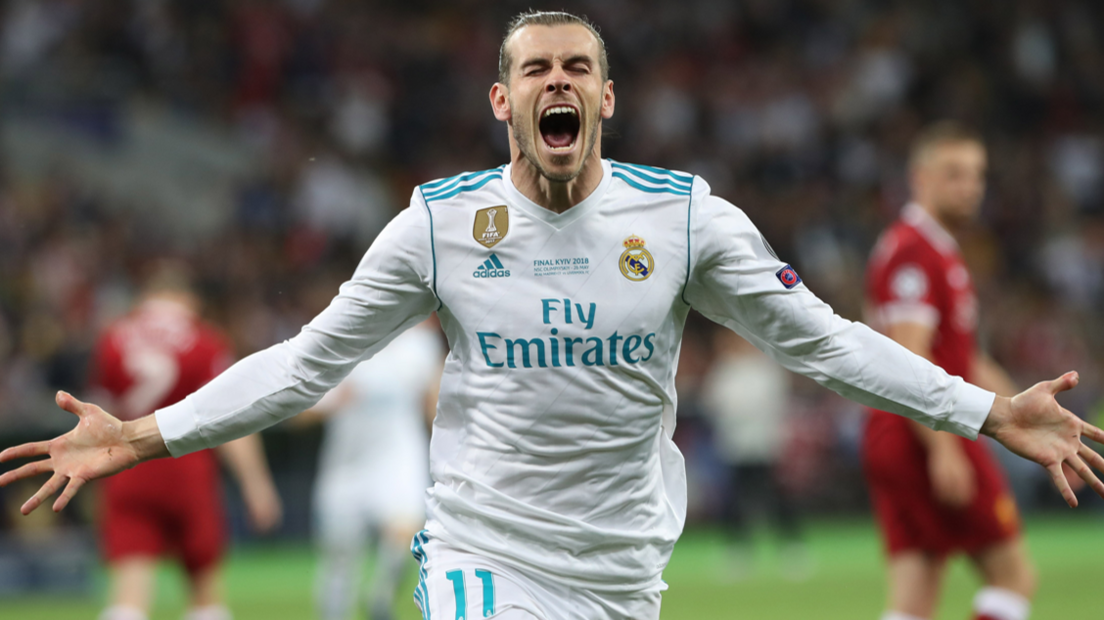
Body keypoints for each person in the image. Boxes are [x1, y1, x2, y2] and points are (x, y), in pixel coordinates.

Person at [2, 11, 1103, 620]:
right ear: (504, 101)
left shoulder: (685, 222)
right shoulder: (437, 225)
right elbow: (302, 362)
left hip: (624, 564)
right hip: (482, 544)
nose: (557, 82)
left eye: (579, 66)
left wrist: (982, 408)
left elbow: (824, 341)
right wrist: (142, 434)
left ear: (606, 99)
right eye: (536, 69)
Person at [862, 123, 1044, 620]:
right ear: (920, 178)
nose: (970, 186)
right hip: (925, 431)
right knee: (1014, 577)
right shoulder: (915, 253)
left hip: (900, 431)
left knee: (914, 597)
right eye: (954, 174)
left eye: (977, 175)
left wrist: (1024, 412)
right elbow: (909, 358)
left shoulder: (932, 248)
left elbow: (967, 360)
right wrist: (943, 449)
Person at [87, 267, 282, 620]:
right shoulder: (205, 340)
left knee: (129, 590)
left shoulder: (113, 340)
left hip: (126, 468)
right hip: (188, 469)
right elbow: (232, 417)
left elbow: (94, 419)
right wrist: (257, 483)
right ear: (188, 301)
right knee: (204, 589)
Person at [297, 321, 443, 620]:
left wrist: (445, 458)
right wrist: (334, 401)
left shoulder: (420, 345)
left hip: (398, 457)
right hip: (346, 467)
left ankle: (380, 596)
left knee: (405, 529)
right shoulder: (341, 341)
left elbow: (434, 405)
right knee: (339, 559)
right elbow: (299, 411)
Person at [702, 328, 806, 579]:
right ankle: (738, 549)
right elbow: (713, 403)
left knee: (775, 496)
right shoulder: (724, 370)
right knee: (734, 499)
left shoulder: (764, 366)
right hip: (735, 445)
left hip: (765, 443)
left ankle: (792, 547)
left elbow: (775, 401)